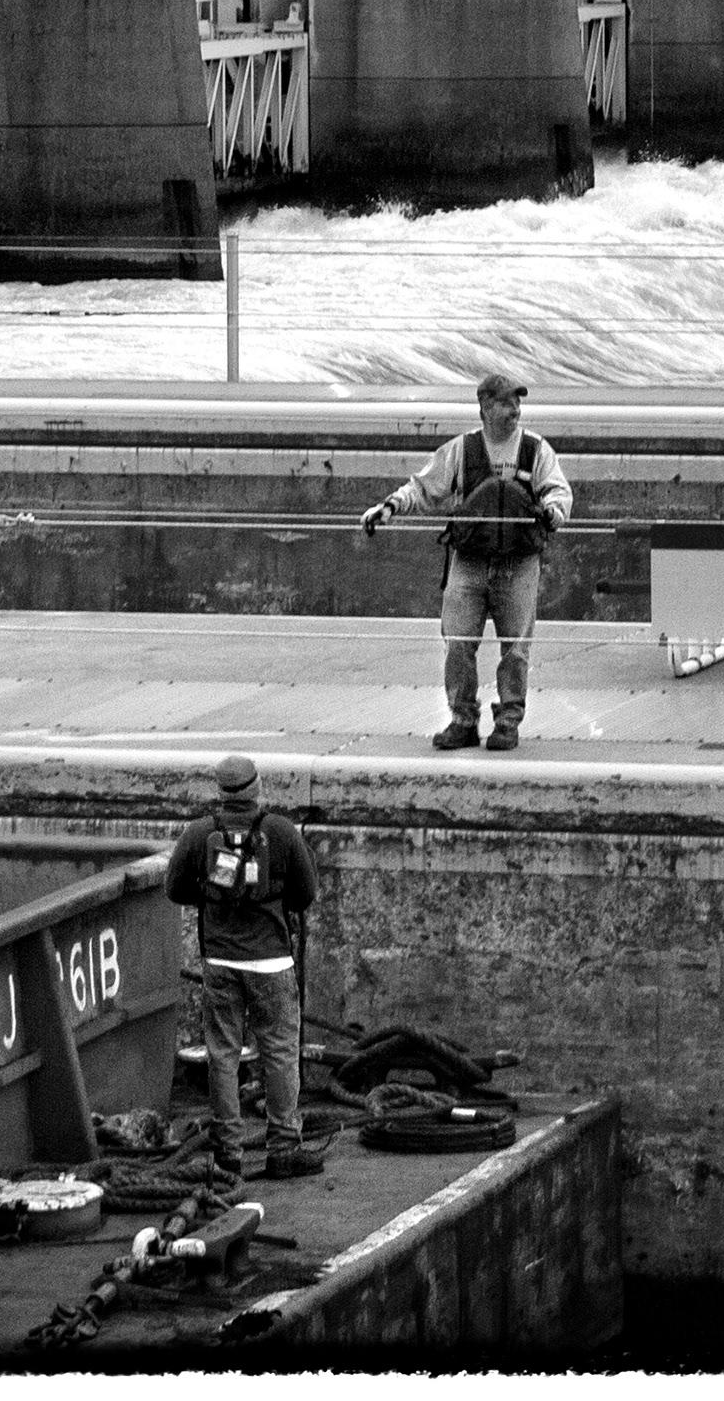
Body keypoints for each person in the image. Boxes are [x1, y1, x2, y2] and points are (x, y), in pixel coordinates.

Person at [361, 371, 572, 753]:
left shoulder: (537, 450)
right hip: (468, 563)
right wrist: (388, 508)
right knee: (457, 642)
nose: (516, 410)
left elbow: (559, 491)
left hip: (519, 564)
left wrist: (554, 511)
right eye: (508, 403)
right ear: (485, 407)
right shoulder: (460, 451)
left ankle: (508, 721)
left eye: (518, 403)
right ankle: (462, 720)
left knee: (517, 648)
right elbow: (422, 488)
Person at [164, 754, 325, 1179]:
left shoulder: (201, 834)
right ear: (257, 788)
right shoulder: (280, 831)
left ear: (220, 791)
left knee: (223, 1055)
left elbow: (175, 888)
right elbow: (307, 893)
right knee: (279, 1052)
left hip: (219, 960)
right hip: (271, 961)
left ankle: (228, 1153)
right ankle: (284, 1147)